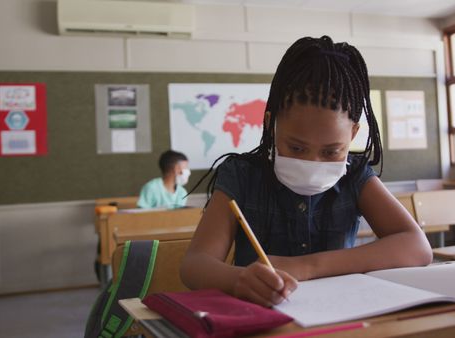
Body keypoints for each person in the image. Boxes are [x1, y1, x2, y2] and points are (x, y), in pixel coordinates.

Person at [180, 36, 433, 307]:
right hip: (261, 318)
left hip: (338, 314)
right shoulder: (241, 176)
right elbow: (194, 265)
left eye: (331, 151)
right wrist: (238, 279)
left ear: (353, 134)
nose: (313, 162)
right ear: (270, 124)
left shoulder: (356, 176)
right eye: (297, 148)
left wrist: (307, 266)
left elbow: (417, 247)